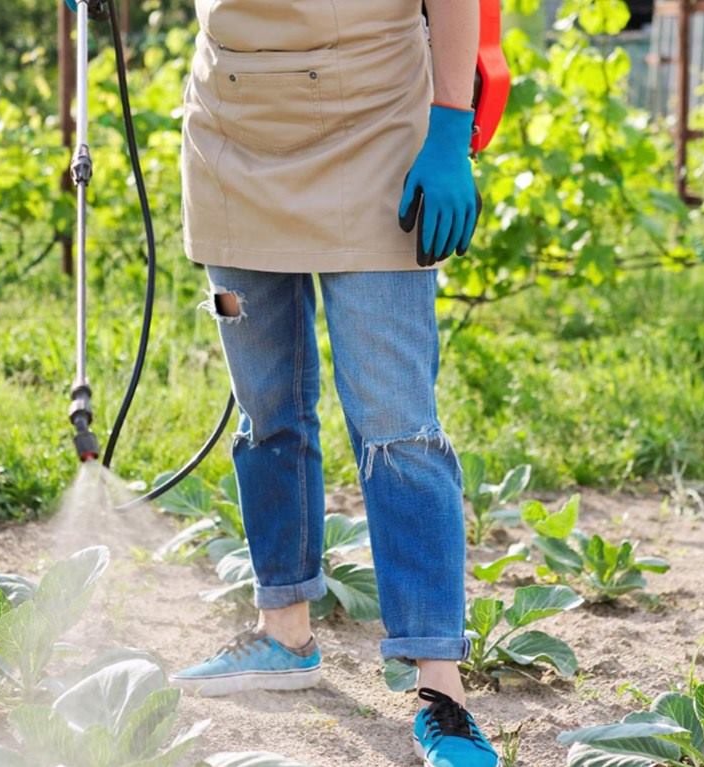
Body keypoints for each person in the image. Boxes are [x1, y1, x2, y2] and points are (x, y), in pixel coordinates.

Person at [70, 0, 491, 763]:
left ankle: (442, 688)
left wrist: (451, 130)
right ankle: (284, 632)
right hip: (233, 136)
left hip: (378, 130)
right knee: (265, 409)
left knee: (399, 425)